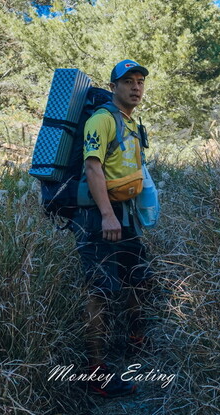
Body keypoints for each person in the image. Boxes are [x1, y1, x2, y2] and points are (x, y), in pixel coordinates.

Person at [71, 59, 154, 398]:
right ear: (113, 87)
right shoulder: (102, 120)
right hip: (98, 215)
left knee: (140, 276)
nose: (136, 87)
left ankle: (135, 341)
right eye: (128, 81)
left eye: (140, 81)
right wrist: (107, 215)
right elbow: (93, 168)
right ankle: (96, 372)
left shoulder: (130, 123)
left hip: (125, 213)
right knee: (100, 290)